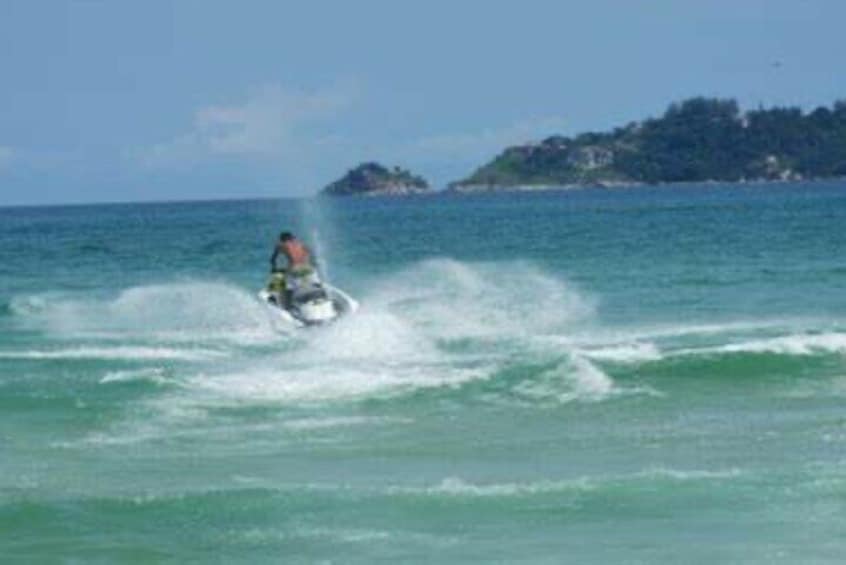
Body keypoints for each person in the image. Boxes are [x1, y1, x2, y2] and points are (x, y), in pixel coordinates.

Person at [269, 232, 315, 307]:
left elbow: (273, 259)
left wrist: (274, 268)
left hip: (295, 269)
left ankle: (276, 297)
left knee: (278, 276)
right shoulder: (301, 244)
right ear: (292, 238)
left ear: (282, 240)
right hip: (308, 268)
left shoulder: (281, 245)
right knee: (301, 278)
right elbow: (311, 253)